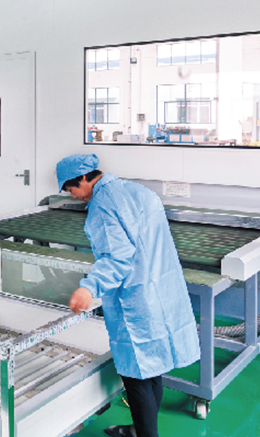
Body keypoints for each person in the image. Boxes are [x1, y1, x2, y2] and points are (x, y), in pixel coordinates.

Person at [57, 154, 199, 437]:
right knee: (153, 368)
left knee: (136, 377)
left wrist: (89, 287)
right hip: (160, 293)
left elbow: (117, 258)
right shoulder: (137, 191)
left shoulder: (102, 206)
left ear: (84, 178)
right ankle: (138, 430)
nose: (73, 196)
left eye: (72, 189)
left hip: (135, 301)